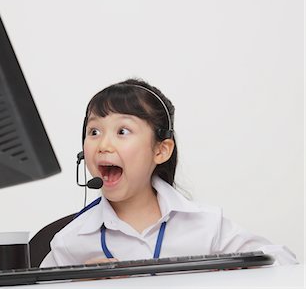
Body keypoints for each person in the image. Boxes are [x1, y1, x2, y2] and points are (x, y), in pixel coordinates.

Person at [40, 78, 297, 267]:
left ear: (161, 150)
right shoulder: (70, 241)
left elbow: (283, 263)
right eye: (94, 132)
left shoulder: (206, 226)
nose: (103, 145)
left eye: (122, 131)